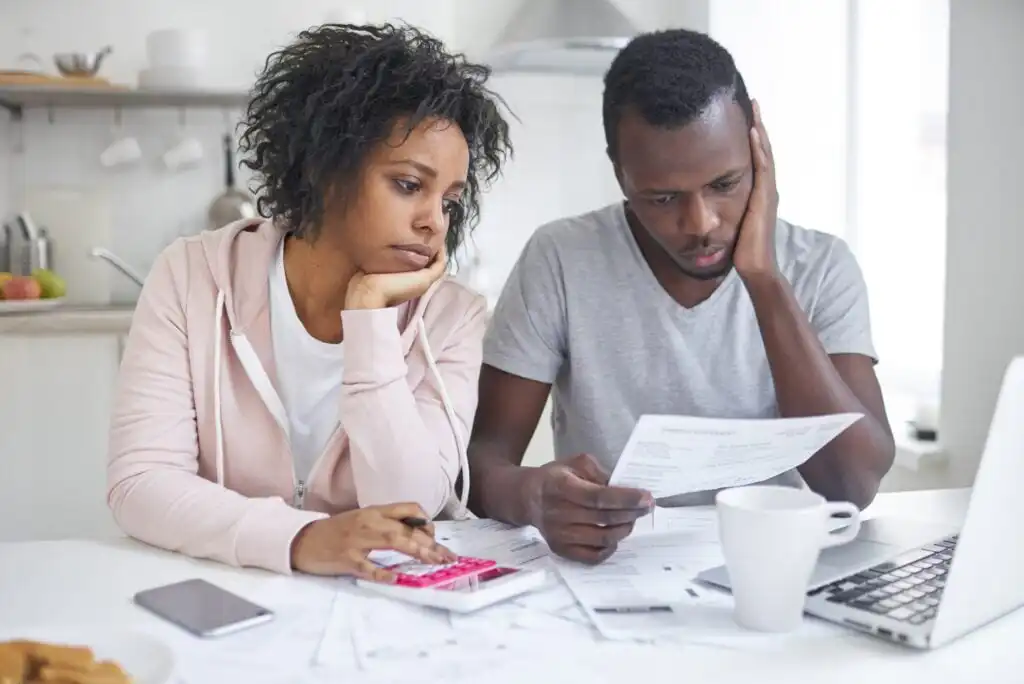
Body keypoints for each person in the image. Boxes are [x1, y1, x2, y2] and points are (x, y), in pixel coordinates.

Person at [467, 28, 895, 564]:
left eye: (725, 184)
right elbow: (481, 462)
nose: (702, 224)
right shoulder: (560, 258)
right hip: (609, 574)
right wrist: (532, 496)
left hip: (764, 568)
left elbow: (851, 486)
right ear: (619, 171)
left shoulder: (822, 267)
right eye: (663, 197)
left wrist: (764, 279)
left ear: (758, 145)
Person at [107, 22, 512, 581]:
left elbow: (411, 504)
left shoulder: (452, 316)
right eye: (408, 185)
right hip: (223, 587)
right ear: (325, 170)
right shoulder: (192, 275)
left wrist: (368, 317)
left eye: (449, 199)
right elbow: (141, 483)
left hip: (381, 601)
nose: (432, 222)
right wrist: (300, 539)